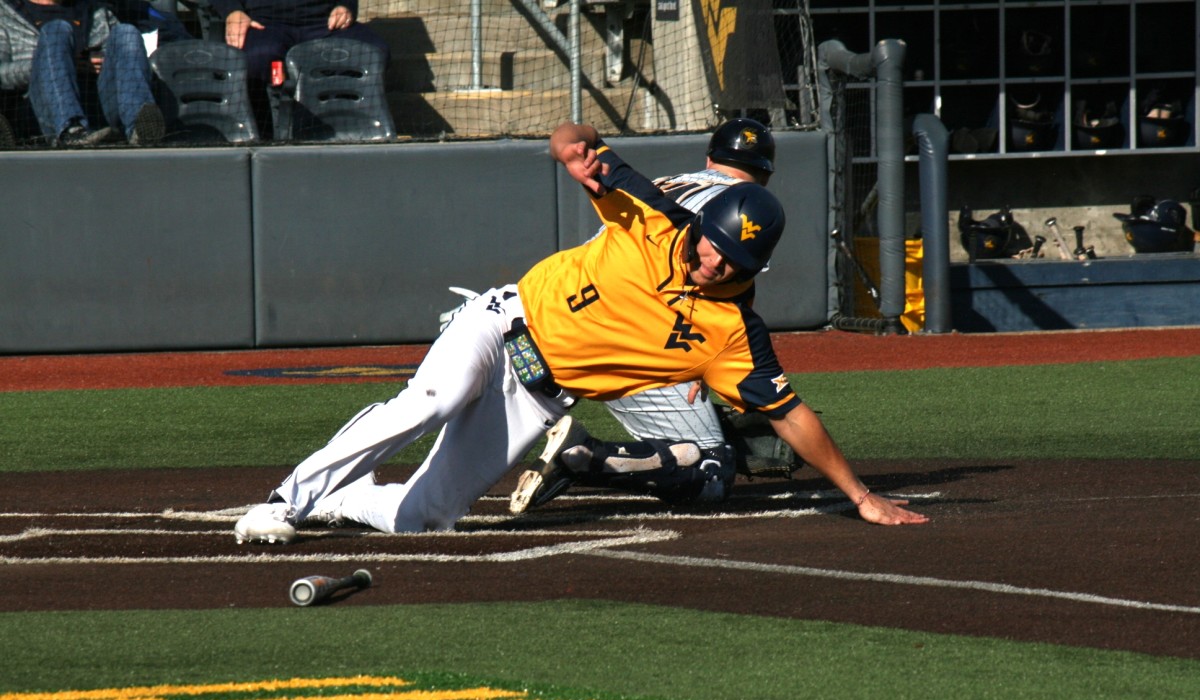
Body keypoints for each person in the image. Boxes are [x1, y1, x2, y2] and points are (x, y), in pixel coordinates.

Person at [233, 121, 928, 544]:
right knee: (429, 402)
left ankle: (342, 497)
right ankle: (283, 500)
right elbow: (577, 141)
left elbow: (790, 414)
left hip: (541, 396)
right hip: (506, 325)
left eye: (733, 261)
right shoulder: (658, 216)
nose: (713, 262)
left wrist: (861, 495)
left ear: (757, 267)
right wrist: (571, 148)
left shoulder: (733, 331)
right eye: (713, 245)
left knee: (427, 520)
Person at [504, 117, 803, 515]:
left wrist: (568, 148)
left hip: (552, 314)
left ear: (710, 156)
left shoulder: (665, 184)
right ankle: (586, 456)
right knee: (711, 468)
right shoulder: (744, 213)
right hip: (630, 342)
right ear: (765, 175)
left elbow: (580, 136)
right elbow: (719, 304)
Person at [209, 0, 388, 137]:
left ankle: (352, 128)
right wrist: (232, 11)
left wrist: (345, 6)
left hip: (324, 23)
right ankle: (263, 136)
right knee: (254, 59)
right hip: (265, 23)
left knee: (374, 51)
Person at [0, 0, 165, 147]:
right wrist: (47, 63)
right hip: (42, 106)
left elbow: (122, 57)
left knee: (126, 33)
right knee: (56, 30)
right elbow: (2, 74)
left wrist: (99, 60)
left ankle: (141, 128)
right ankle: (70, 131)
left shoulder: (95, 10)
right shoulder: (5, 12)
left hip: (97, 102)